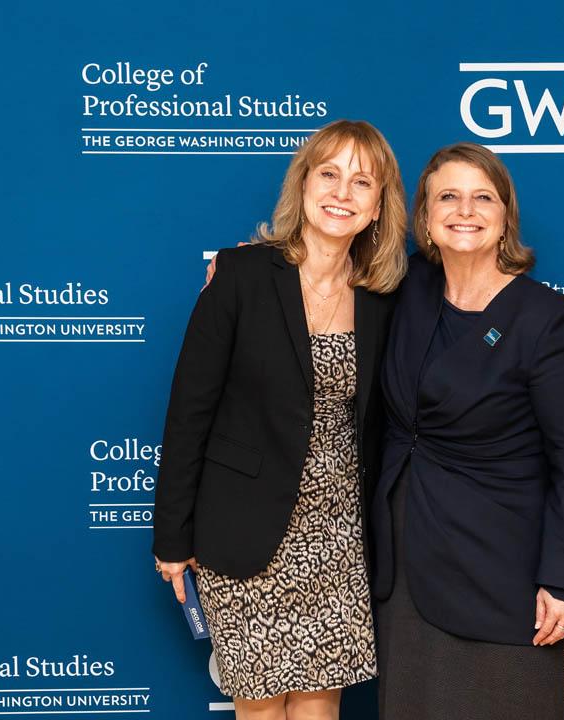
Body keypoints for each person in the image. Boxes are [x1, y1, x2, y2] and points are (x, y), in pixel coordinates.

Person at [153, 119, 407, 720]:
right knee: (261, 709)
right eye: (329, 174)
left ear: (378, 206)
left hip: (340, 537)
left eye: (361, 182)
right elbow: (189, 412)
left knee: (320, 708)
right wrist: (171, 538)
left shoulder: (387, 295)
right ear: (304, 184)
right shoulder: (241, 275)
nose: (342, 193)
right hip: (244, 529)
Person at [369, 143, 564, 720]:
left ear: (505, 216)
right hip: (405, 557)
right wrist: (249, 268)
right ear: (425, 216)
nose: (465, 210)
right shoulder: (406, 288)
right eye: (448, 196)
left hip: (501, 568)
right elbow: (318, 270)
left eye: (483, 198)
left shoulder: (548, 321)